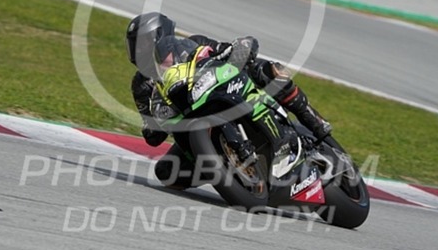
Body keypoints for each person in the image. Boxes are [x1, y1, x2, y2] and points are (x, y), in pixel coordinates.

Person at [126, 11, 331, 188]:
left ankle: (312, 118)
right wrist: (152, 127)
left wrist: (239, 49)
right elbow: (152, 135)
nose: (139, 50)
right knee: (166, 172)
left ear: (160, 35)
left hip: (224, 91)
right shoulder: (141, 85)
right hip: (189, 122)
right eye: (134, 45)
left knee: (267, 70)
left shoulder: (194, 44)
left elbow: (226, 52)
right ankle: (228, 175)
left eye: (142, 43)